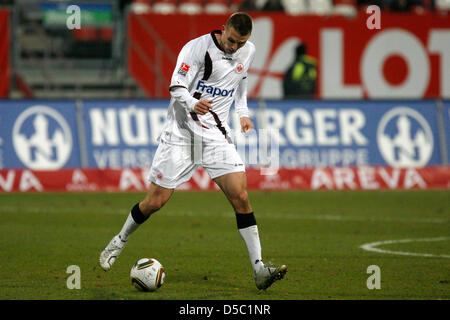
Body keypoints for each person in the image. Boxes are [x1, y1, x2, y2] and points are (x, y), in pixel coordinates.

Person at [99, 12, 287, 290]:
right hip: (181, 135)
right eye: (231, 40)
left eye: (240, 43)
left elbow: (242, 80)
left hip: (216, 138)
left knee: (241, 197)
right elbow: (176, 85)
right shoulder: (196, 48)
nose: (234, 47)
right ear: (223, 30)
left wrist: (243, 113)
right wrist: (191, 103)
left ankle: (259, 269)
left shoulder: (248, 50)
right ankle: (120, 240)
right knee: (155, 202)